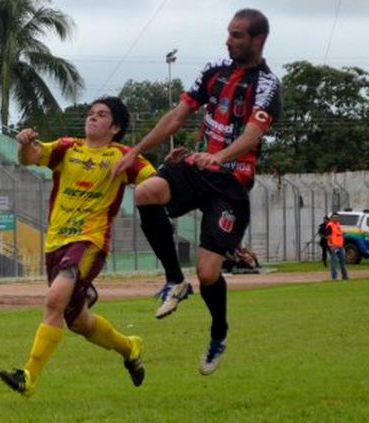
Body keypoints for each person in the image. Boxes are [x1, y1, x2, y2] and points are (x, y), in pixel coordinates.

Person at [112, 8, 282, 375]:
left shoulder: (267, 86)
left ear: (258, 40)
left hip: (230, 184)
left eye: (237, 35)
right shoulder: (214, 69)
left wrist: (218, 157)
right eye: (229, 32)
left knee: (208, 274)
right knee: (145, 191)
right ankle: (175, 280)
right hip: (198, 167)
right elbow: (177, 116)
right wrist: (135, 153)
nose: (229, 39)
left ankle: (218, 331)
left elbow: (252, 135)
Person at [0, 96, 155, 398]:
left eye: (102, 114)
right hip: (56, 240)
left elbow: (155, 180)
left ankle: (28, 376)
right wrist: (24, 142)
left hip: (89, 241)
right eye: (91, 113)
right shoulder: (67, 148)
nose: (92, 118)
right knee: (79, 322)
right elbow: (28, 157)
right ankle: (129, 347)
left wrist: (174, 171)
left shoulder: (123, 157)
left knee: (54, 300)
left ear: (116, 127)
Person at [326, 213, 349, 280]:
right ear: (331, 218)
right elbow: (329, 236)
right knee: (334, 261)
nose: (336, 219)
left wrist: (342, 234)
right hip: (334, 246)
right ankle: (334, 277)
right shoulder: (330, 225)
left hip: (340, 245)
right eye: (334, 217)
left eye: (337, 217)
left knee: (343, 261)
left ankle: (345, 276)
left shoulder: (338, 224)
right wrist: (332, 245)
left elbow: (338, 233)